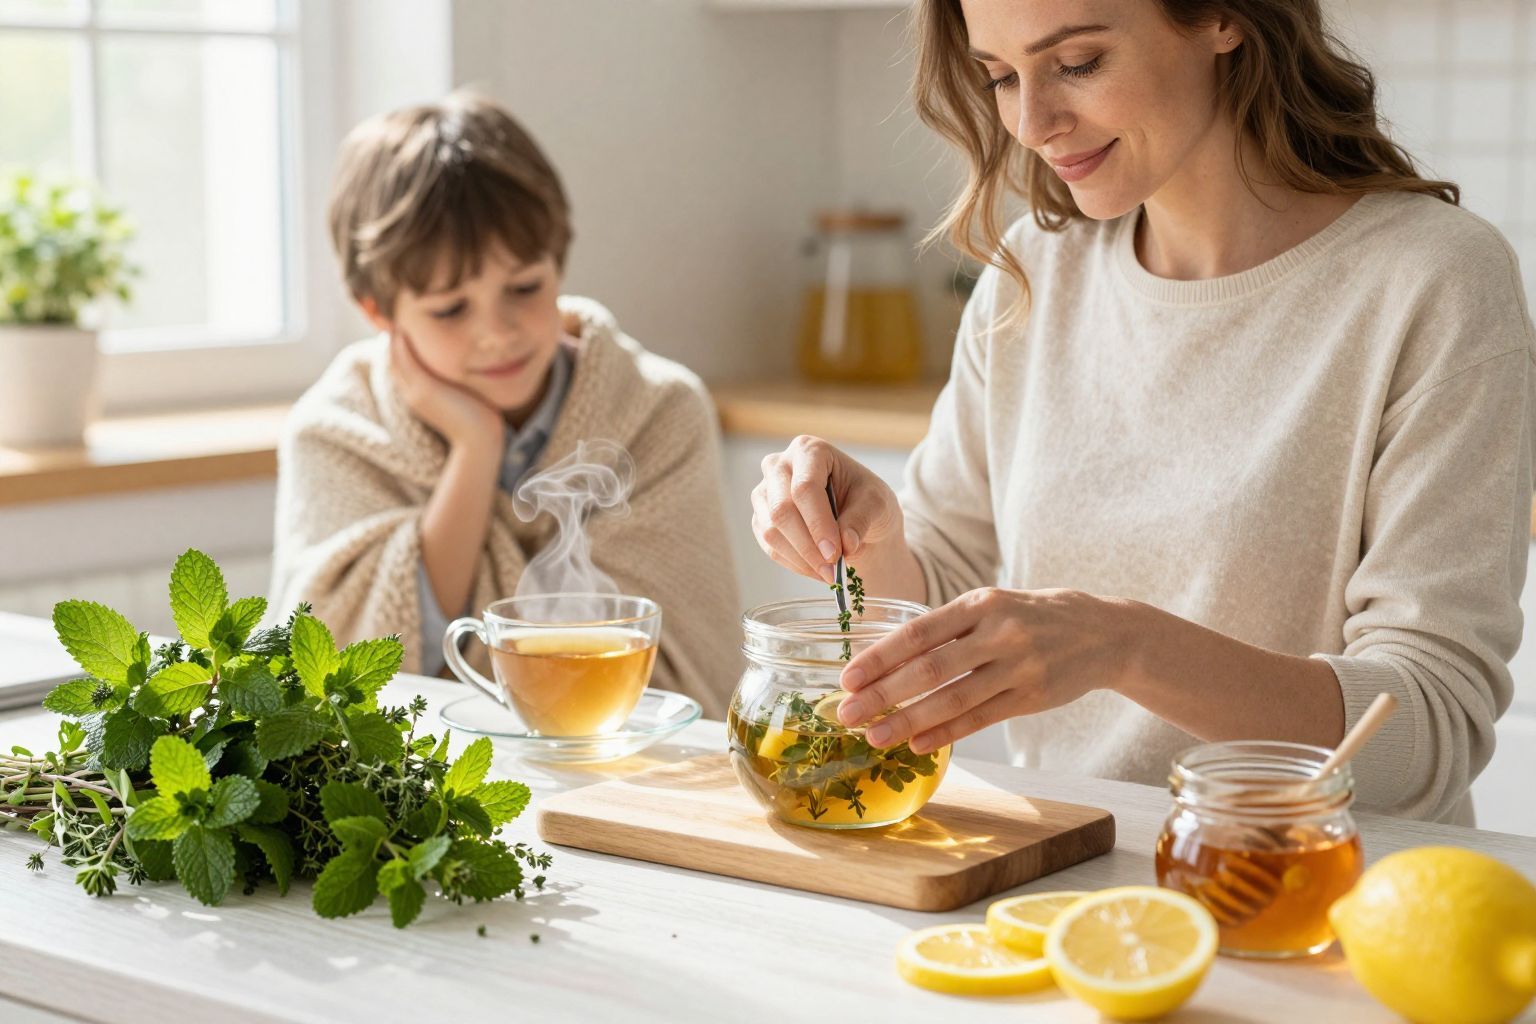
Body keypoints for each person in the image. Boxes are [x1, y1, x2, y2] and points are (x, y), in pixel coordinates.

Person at [752, 0, 1535, 823]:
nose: (1033, 122)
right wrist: (875, 542)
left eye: (1079, 64)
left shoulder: (1434, 281)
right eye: (1002, 77)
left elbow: (1425, 729)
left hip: (1323, 902)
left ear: (1223, 18)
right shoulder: (1033, 276)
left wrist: (1123, 646)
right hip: (1075, 883)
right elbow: (936, 596)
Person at [270, 90, 740, 716]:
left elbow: (678, 673)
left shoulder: (657, 413)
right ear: (378, 312)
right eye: (449, 309)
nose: (499, 331)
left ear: (558, 263)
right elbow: (351, 676)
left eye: (524, 287)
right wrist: (475, 448)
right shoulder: (335, 433)